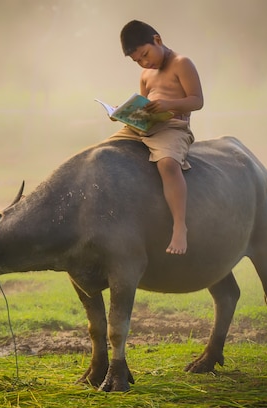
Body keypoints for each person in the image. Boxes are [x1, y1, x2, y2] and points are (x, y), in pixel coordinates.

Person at [109, 20, 203, 255]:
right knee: (103, 152)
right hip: (145, 126)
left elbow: (197, 101)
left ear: (157, 40)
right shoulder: (145, 74)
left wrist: (167, 103)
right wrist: (123, 113)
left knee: (168, 164)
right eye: (137, 61)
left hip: (172, 126)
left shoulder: (182, 63)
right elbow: (143, 107)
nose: (144, 62)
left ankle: (180, 227)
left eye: (145, 54)